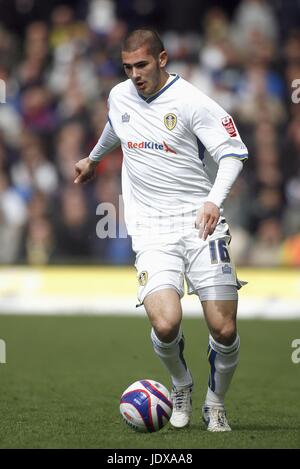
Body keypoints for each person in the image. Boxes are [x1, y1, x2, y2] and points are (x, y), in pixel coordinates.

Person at [74, 29, 248, 432]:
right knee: (165, 323)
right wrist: (94, 158)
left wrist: (213, 201)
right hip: (152, 229)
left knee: (223, 328)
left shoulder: (192, 102)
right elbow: (118, 125)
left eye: (142, 65)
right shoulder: (119, 96)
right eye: (128, 67)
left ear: (163, 58)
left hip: (200, 224)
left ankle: (215, 402)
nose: (134, 74)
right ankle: (182, 384)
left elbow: (233, 154)